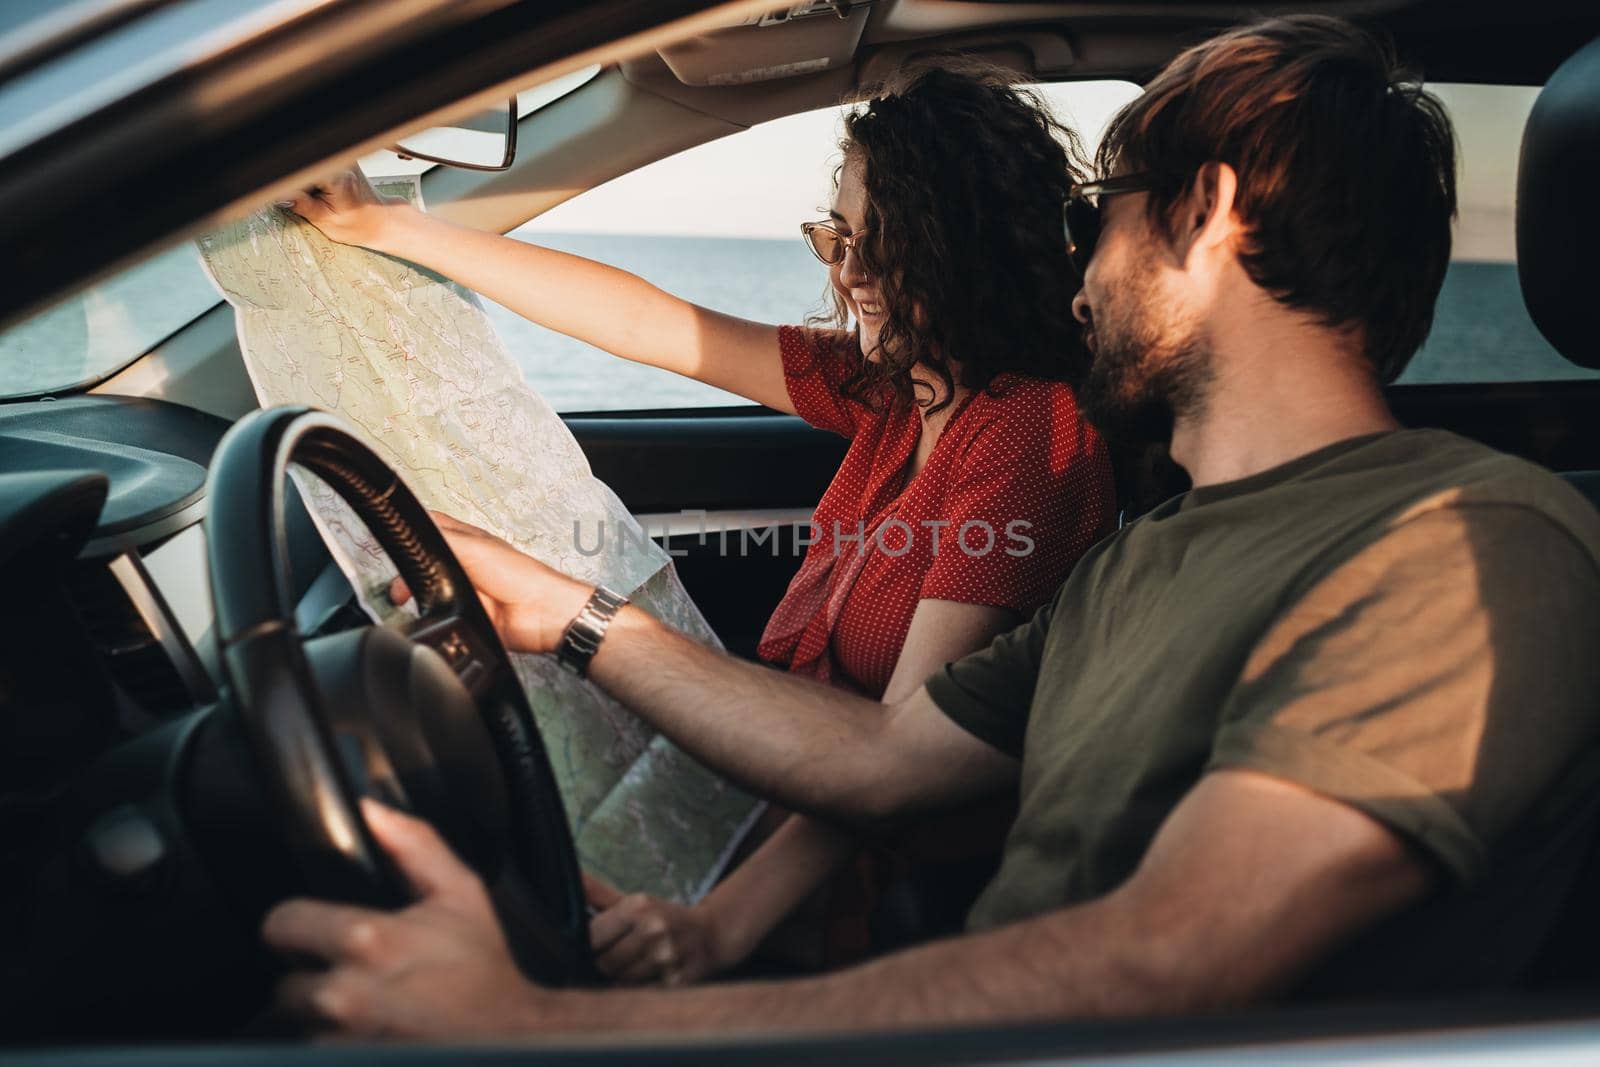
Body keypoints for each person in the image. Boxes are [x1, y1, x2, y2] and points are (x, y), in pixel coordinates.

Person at [264, 14, 1600, 1038]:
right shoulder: (1144, 558)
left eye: (1100, 219)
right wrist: (562, 609)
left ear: (1205, 212)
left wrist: (554, 1028)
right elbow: (890, 764)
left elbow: (1167, 958)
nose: (1074, 268)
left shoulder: (1479, 544)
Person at [283, 63, 1115, 984]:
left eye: (886, 242)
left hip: (887, 891)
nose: (848, 272)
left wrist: (717, 926)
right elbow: (649, 322)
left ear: (971, 247)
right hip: (782, 807)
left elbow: (894, 768)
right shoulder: (900, 390)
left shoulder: (1029, 433)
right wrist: (390, 227)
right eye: (836, 236)